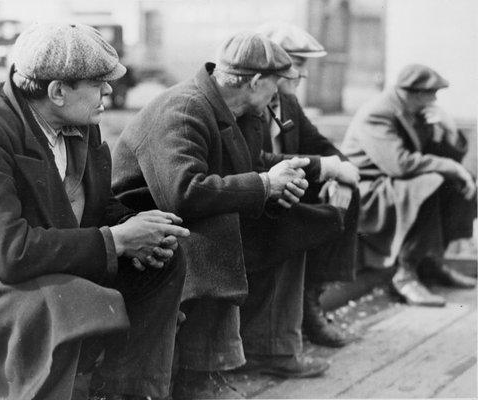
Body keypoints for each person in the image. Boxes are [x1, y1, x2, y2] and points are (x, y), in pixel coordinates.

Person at [112, 31, 333, 399]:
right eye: (275, 84)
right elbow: (182, 193)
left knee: (293, 223)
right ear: (255, 82)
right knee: (217, 230)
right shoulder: (183, 110)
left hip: (181, 216)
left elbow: (246, 165)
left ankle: (272, 347)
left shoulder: (237, 109)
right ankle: (200, 376)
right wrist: (263, 185)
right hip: (142, 222)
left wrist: (280, 184)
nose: (277, 95)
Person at [0, 23, 190, 400]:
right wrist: (115, 241)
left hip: (51, 260)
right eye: (98, 82)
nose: (109, 89)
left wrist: (135, 227)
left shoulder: (77, 118)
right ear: (57, 91)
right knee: (74, 301)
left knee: (164, 259)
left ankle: (128, 391)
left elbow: (96, 205)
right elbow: (7, 253)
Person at [238, 22, 360, 351]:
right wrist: (325, 167)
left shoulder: (287, 102)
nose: (301, 74)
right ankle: (288, 327)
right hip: (254, 198)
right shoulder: (249, 101)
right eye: (297, 64)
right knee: (311, 213)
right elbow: (254, 159)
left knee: (347, 194)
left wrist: (341, 168)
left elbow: (316, 141)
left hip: (282, 190)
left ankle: (312, 298)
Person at [341, 63, 476, 307]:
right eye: (431, 94)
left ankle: (429, 260)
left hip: (394, 183)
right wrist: (449, 167)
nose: (434, 100)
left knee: (458, 182)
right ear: (412, 92)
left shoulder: (413, 111)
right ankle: (405, 274)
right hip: (367, 188)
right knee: (430, 182)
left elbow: (442, 157)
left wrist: (447, 129)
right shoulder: (378, 112)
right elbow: (399, 164)